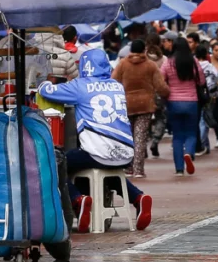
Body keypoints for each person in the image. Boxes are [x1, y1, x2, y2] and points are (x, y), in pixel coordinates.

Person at [38, 49, 153, 233]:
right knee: (110, 168)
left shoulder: (80, 86)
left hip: (97, 152)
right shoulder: (116, 86)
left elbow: (47, 92)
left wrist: (43, 81)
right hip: (126, 153)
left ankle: (78, 200)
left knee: (56, 164)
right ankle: (138, 198)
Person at [112, 39, 170, 178]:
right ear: (144, 50)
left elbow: (113, 81)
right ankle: (138, 169)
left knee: (128, 137)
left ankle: (128, 167)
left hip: (126, 105)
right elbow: (160, 85)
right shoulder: (150, 65)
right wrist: (167, 93)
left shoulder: (122, 64)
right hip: (145, 105)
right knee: (140, 137)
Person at [160, 38, 203, 176]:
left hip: (173, 102)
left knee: (177, 136)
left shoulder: (168, 63)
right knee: (191, 133)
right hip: (191, 102)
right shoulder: (193, 61)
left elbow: (161, 80)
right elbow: (201, 80)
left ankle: (179, 169)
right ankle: (189, 153)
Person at [196, 44, 218, 155]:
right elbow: (217, 75)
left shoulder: (194, 66)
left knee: (201, 118)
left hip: (196, 94)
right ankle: (202, 142)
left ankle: (205, 145)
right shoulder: (209, 66)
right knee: (204, 119)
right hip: (209, 94)